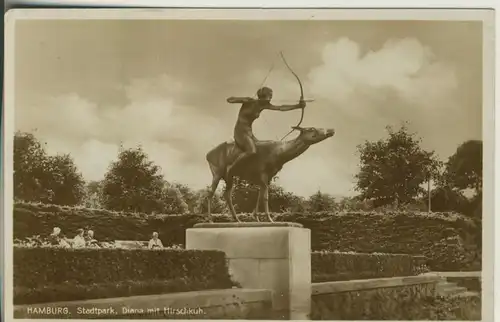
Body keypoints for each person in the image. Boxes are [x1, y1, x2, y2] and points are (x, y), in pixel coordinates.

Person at [225, 87, 305, 176]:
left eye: (271, 96)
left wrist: (297, 106)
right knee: (252, 151)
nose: (271, 98)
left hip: (249, 133)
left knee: (261, 149)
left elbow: (281, 108)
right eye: (269, 95)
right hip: (240, 132)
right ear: (263, 96)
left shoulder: (264, 105)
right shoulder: (249, 101)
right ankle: (232, 168)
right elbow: (230, 100)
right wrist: (242, 99)